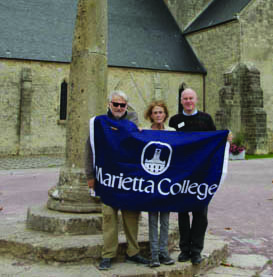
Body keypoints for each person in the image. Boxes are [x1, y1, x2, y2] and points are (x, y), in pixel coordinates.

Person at [86, 90, 149, 270]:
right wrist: (90, 176)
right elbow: (89, 150)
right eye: (116, 104)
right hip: (107, 180)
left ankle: (133, 252)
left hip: (128, 180)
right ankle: (108, 254)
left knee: (131, 217)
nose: (119, 108)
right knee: (109, 218)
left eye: (123, 105)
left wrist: (141, 134)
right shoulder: (97, 124)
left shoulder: (133, 124)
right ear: (109, 104)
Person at [169, 88, 231, 265]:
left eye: (191, 98)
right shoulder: (175, 120)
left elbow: (214, 141)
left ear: (196, 100)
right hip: (181, 173)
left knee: (200, 213)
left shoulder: (206, 119)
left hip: (201, 173)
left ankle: (196, 250)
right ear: (181, 101)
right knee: (182, 213)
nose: (188, 101)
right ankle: (184, 249)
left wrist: (225, 137)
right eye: (185, 98)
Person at [143, 101, 176, 268]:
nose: (158, 115)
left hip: (165, 183)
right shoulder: (145, 132)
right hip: (151, 184)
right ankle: (154, 253)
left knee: (165, 220)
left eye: (161, 112)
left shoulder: (172, 132)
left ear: (165, 115)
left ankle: (164, 252)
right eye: (155, 113)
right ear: (151, 115)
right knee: (152, 219)